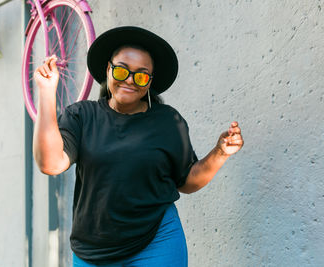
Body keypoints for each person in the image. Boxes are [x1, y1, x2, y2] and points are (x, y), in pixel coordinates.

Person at [33, 26, 244, 266]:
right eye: (122, 71)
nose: (130, 80)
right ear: (108, 70)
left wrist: (220, 153)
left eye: (141, 75)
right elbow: (50, 164)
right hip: (92, 250)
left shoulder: (167, 121)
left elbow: (187, 181)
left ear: (150, 82)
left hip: (157, 240)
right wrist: (47, 93)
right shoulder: (82, 116)